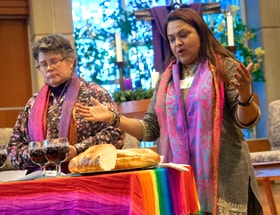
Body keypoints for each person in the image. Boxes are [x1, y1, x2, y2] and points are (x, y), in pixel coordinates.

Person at [76, 8, 263, 214]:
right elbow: (150, 128)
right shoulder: (166, 81)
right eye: (172, 39)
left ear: (201, 33)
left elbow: (246, 121)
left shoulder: (224, 67)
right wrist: (113, 118)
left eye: (183, 35)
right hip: (182, 180)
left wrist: (245, 96)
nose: (177, 43)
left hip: (226, 176)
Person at [7, 33, 124, 174]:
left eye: (54, 61)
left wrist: (77, 149)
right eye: (43, 64)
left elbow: (116, 134)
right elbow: (13, 147)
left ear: (71, 61)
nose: (49, 68)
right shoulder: (32, 103)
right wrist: (37, 155)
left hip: (85, 176)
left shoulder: (94, 94)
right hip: (41, 179)